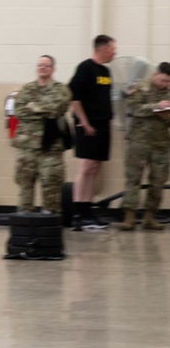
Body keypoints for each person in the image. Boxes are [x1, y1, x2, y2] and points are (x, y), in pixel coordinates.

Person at [11, 55, 72, 214]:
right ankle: (25, 225)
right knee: (25, 186)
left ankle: (50, 229)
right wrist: (44, 109)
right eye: (40, 65)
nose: (42, 68)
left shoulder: (61, 89)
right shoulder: (27, 89)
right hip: (27, 148)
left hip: (50, 148)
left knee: (51, 188)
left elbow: (57, 109)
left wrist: (33, 107)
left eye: (46, 65)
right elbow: (18, 112)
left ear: (53, 69)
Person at [68, 34, 117, 230]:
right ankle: (78, 214)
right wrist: (84, 122)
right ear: (102, 48)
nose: (115, 52)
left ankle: (88, 212)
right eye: (113, 48)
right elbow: (74, 97)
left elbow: (106, 98)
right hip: (88, 125)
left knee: (95, 168)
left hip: (103, 124)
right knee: (86, 166)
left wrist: (110, 119)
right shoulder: (85, 67)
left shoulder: (106, 71)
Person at [119, 62, 170, 230]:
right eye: (162, 80)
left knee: (158, 181)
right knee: (133, 179)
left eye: (167, 82)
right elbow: (134, 109)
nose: (164, 85)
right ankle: (129, 217)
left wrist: (166, 117)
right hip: (138, 142)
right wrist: (156, 107)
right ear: (155, 74)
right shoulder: (140, 88)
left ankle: (150, 216)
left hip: (161, 144)